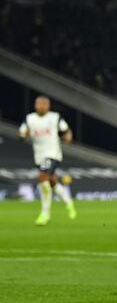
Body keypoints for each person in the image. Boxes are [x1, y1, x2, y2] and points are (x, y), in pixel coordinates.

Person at [18, 96, 77, 225]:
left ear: (48, 106)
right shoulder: (30, 119)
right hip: (39, 156)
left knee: (43, 178)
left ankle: (45, 214)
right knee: (51, 181)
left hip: (53, 153)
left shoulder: (55, 117)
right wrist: (24, 134)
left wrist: (68, 137)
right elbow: (21, 134)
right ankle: (69, 203)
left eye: (43, 104)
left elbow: (65, 130)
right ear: (35, 106)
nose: (41, 106)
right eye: (38, 104)